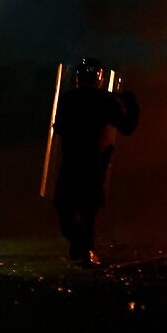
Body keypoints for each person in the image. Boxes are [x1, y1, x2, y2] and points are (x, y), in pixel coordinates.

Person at [53, 57, 139, 267]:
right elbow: (127, 127)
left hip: (83, 160)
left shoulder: (73, 100)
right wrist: (131, 106)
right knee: (82, 208)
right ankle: (83, 244)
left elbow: (60, 127)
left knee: (73, 207)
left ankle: (84, 247)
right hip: (89, 161)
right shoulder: (99, 100)